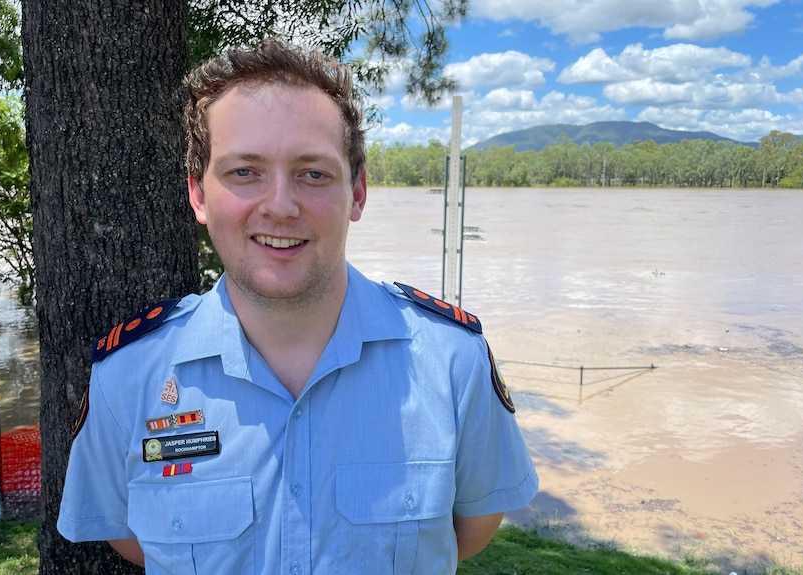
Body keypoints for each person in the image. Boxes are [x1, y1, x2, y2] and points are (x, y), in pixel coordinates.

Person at [57, 37, 538, 574]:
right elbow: (130, 536)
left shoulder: (453, 362)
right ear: (198, 195)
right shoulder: (128, 377)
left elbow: (470, 529)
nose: (281, 206)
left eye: (313, 173)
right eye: (245, 171)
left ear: (356, 193)